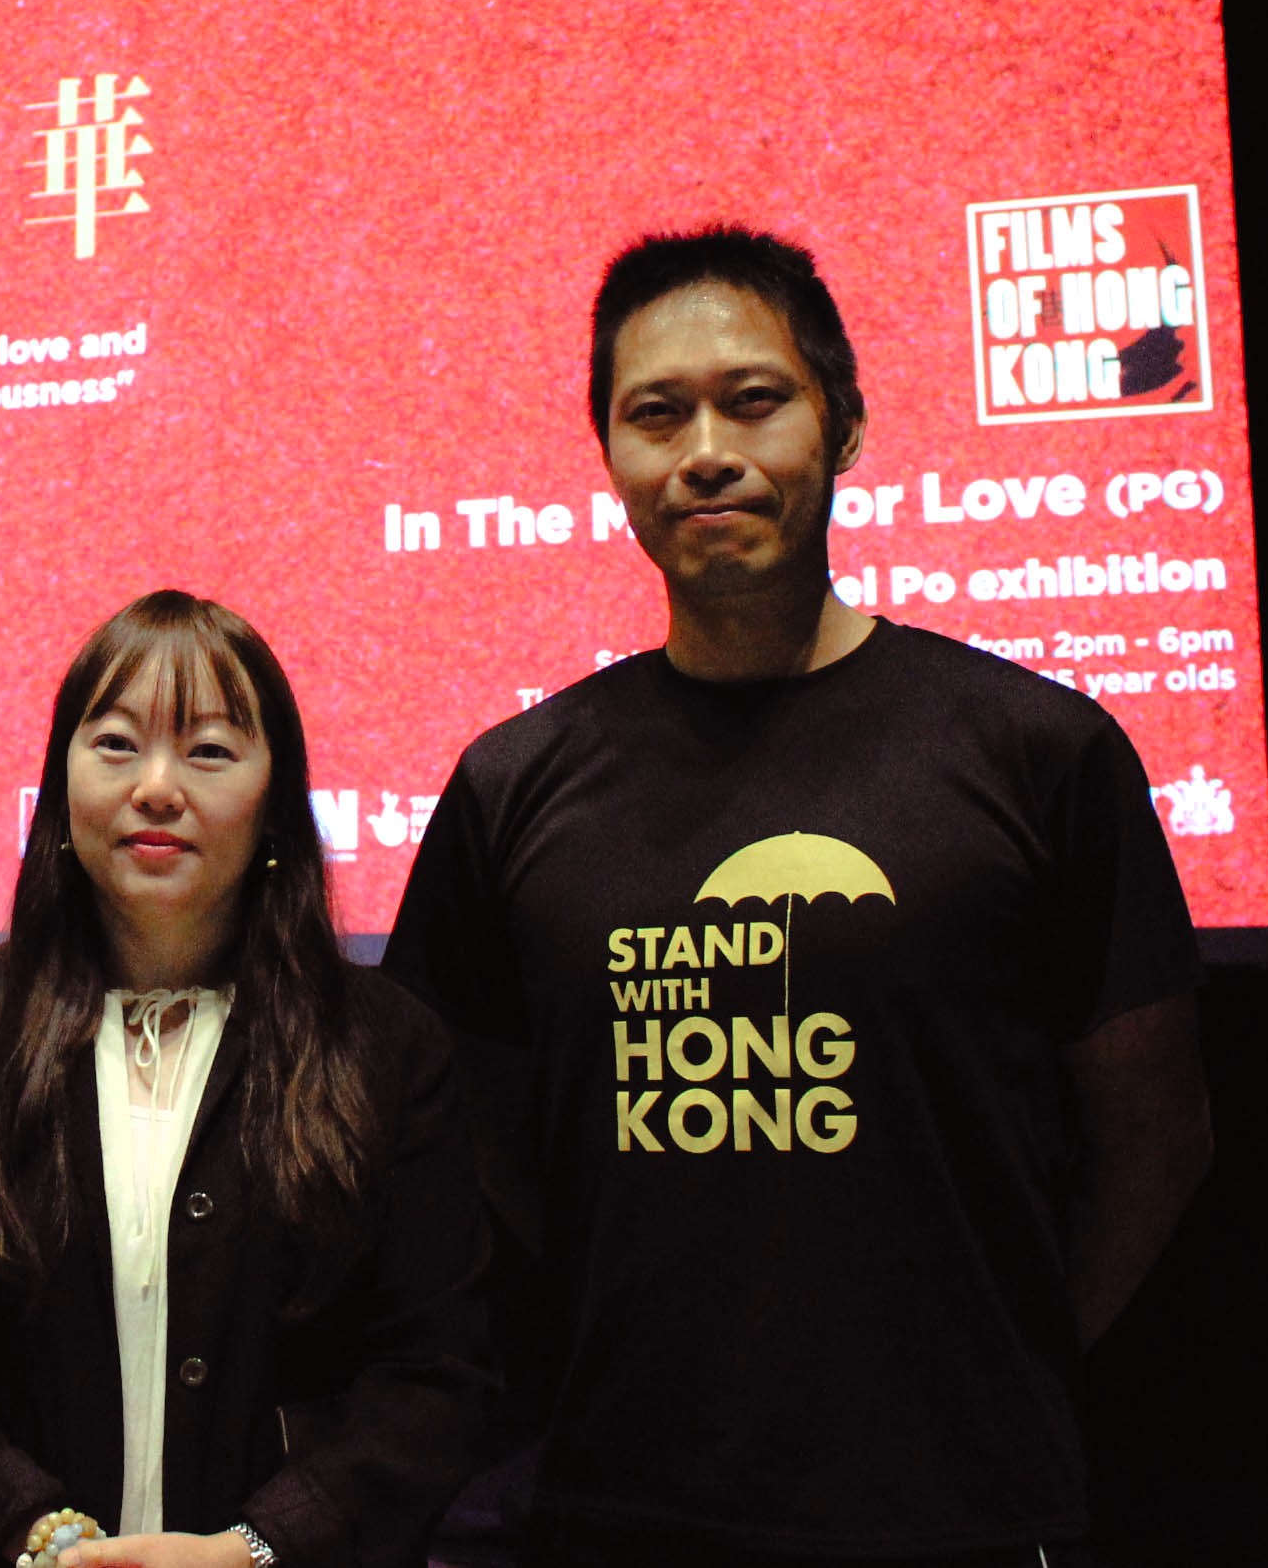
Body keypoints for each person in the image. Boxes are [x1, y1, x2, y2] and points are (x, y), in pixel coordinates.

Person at [384, 227, 1215, 1567]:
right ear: (610, 457)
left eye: (753, 398)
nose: (705, 448)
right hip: (619, 1506)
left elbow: (1158, 1133)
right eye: (655, 413)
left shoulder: (1038, 750)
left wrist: (995, 1356)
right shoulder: (511, 784)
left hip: (960, 1510)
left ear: (848, 426)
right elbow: (485, 1142)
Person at [0, 591, 494, 1568]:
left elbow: (435, 1373)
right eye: (114, 745)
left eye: (210, 751)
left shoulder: (384, 1046)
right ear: (61, 789)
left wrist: (263, 1546)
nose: (155, 787)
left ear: (275, 801)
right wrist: (34, 1533)